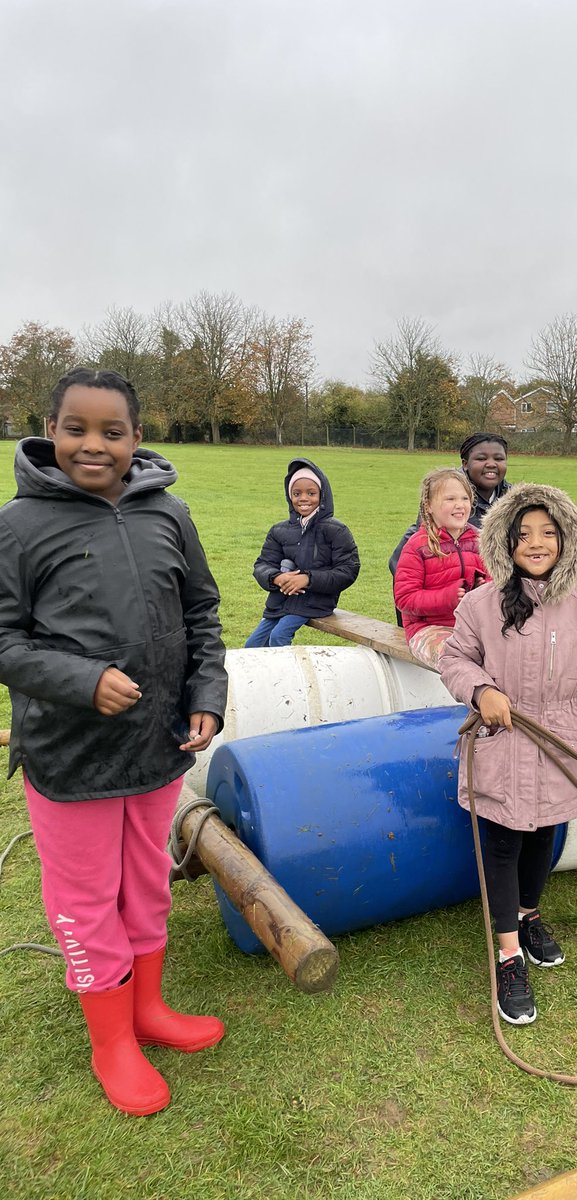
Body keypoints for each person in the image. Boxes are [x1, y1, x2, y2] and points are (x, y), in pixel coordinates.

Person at [0, 368, 228, 1116]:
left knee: (147, 883)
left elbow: (202, 612)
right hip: (70, 756)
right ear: (50, 431)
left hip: (158, 746)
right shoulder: (18, 526)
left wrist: (205, 698)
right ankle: (112, 1042)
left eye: (112, 431)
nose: (93, 445)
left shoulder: (172, 514)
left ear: (137, 438)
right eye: (77, 429)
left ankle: (149, 1010)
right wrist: (79, 679)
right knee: (87, 899)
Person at [439, 483, 577, 1025]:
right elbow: (454, 660)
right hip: (500, 745)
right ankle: (507, 953)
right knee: (504, 841)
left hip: (561, 745)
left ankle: (528, 917)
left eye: (548, 532)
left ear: (567, 540)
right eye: (524, 533)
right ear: (506, 540)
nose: (536, 542)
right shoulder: (479, 604)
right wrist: (482, 691)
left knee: (544, 835)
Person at [387, 433, 510, 621]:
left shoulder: (515, 501)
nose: (491, 464)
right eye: (481, 458)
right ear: (465, 463)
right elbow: (409, 587)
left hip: (477, 614)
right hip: (432, 612)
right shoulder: (441, 496)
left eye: (499, 458)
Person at [245, 458, 360, 647]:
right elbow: (262, 564)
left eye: (311, 493)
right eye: (297, 493)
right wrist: (275, 578)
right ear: (290, 496)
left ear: (322, 495)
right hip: (280, 601)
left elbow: (348, 570)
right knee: (252, 646)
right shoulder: (279, 530)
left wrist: (308, 579)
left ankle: (289, 676)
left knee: (279, 637)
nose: (304, 498)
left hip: (314, 602)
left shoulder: (336, 530)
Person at [393, 468, 489, 668]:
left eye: (465, 498)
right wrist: (449, 598)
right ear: (428, 506)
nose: (460, 505)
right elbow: (404, 599)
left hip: (473, 627)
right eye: (450, 499)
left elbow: (496, 584)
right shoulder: (417, 546)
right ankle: (471, 699)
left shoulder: (481, 541)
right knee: (456, 656)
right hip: (428, 629)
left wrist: (482, 589)